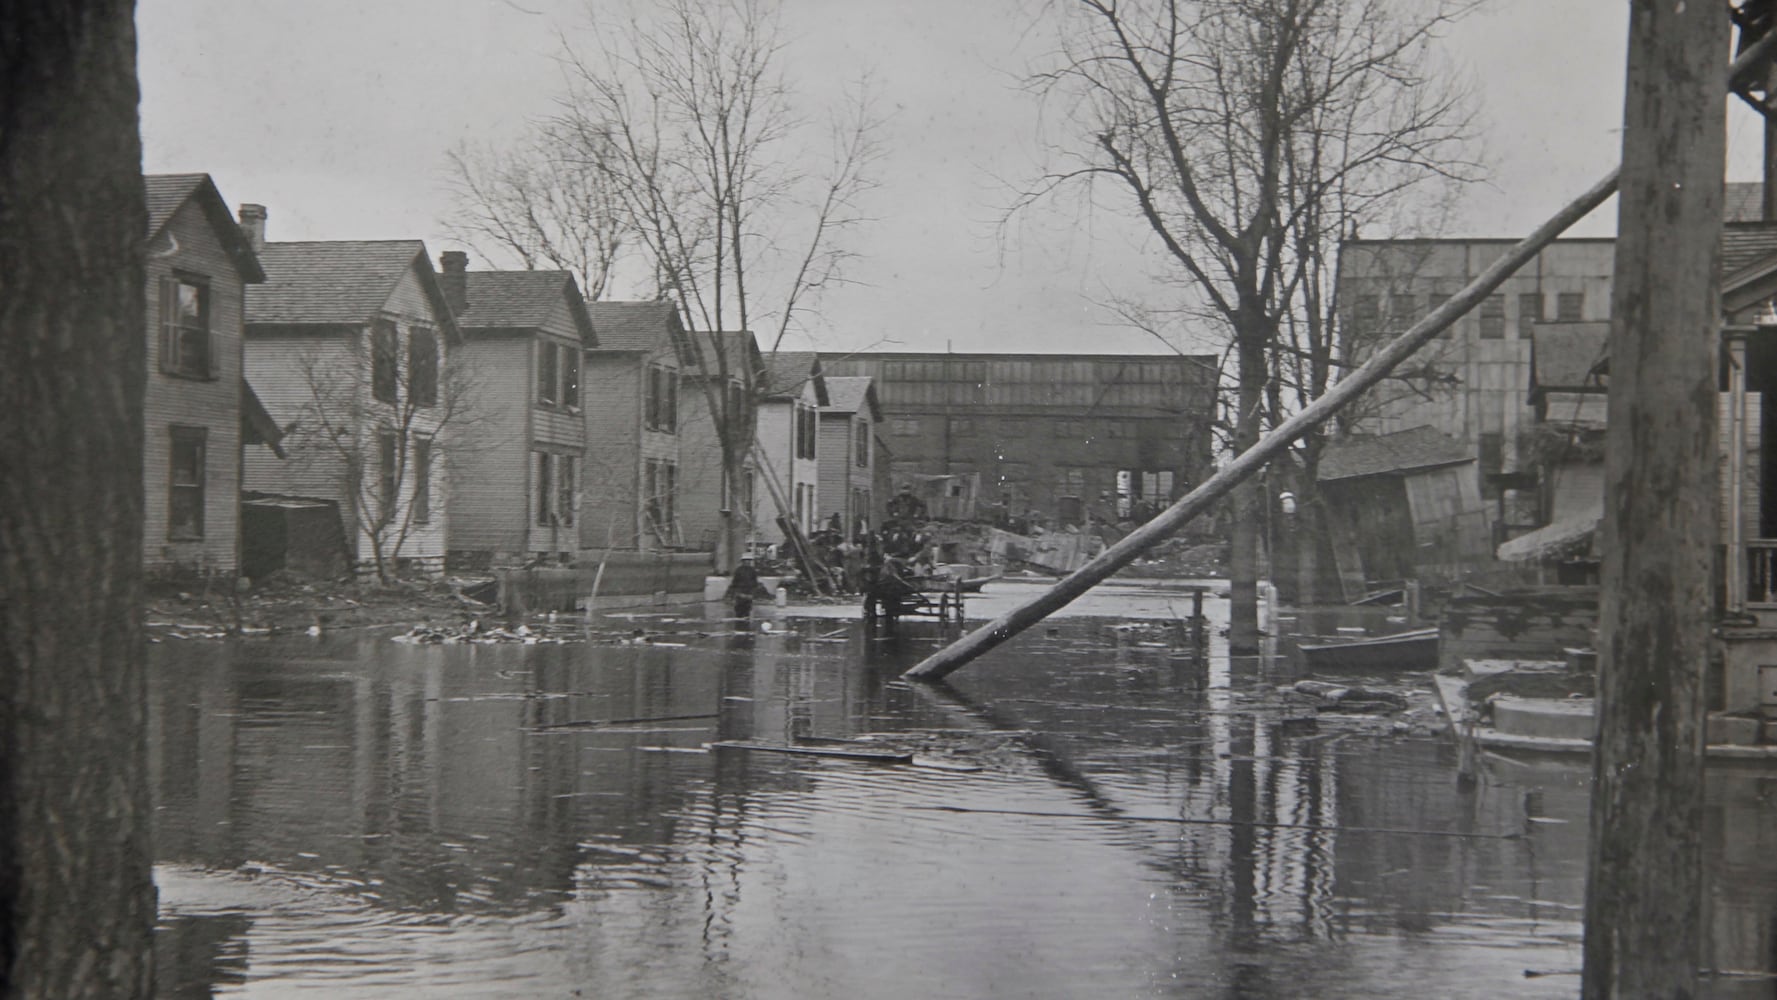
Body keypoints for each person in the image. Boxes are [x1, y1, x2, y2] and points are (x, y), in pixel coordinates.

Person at [726, 555, 769, 619]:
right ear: (743, 561)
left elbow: (755, 582)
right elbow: (734, 583)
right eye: (746, 560)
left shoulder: (752, 571)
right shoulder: (738, 570)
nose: (747, 562)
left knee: (747, 611)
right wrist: (736, 593)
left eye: (749, 560)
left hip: (748, 593)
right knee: (739, 611)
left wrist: (753, 593)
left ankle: (745, 624)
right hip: (740, 594)